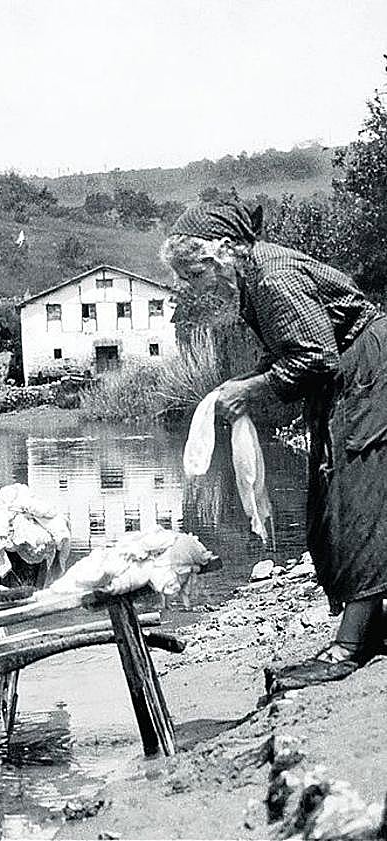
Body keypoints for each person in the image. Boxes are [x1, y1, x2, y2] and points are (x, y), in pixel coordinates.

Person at [160, 202, 387, 690]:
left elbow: (316, 356)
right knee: (333, 498)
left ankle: (351, 645)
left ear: (224, 251)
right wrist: (246, 383)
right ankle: (369, 626)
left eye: (196, 273)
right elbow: (294, 350)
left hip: (366, 371)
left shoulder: (272, 277)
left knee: (355, 500)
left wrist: (249, 390)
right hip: (352, 371)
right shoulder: (256, 278)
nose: (197, 287)